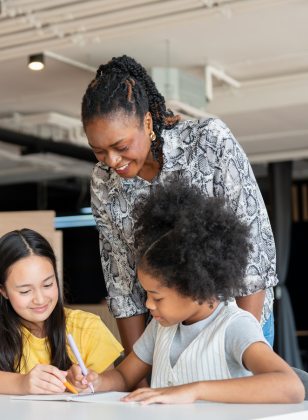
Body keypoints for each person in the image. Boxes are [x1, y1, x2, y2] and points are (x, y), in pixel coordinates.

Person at [83, 56, 277, 388]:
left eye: (120, 146)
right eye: (98, 151)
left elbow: (254, 260)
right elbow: (121, 282)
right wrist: (137, 379)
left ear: (146, 123)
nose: (111, 161)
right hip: (166, 327)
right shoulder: (103, 182)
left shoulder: (209, 142)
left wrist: (244, 340)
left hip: (236, 320)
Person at [68, 178, 304, 404]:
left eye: (157, 297)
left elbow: (291, 387)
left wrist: (194, 391)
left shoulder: (234, 326)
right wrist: (96, 381)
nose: (149, 305)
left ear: (195, 289)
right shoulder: (160, 328)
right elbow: (122, 377)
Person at [0, 229, 122, 394]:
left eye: (48, 284)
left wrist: (92, 383)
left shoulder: (87, 326)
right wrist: (22, 383)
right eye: (25, 291)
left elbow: (117, 381)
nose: (40, 299)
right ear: (2, 289)